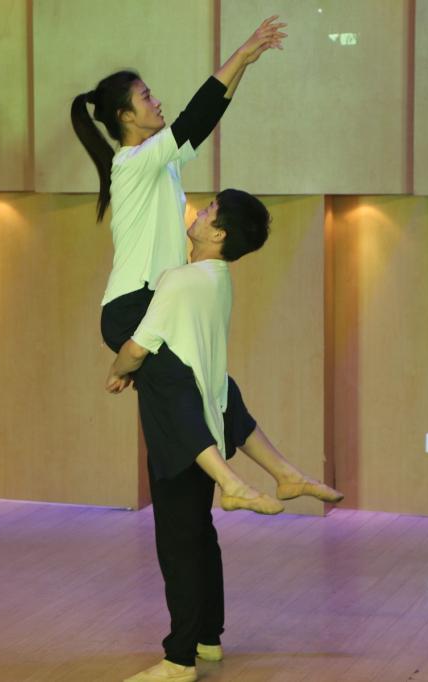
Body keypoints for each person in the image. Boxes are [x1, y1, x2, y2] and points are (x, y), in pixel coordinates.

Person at [71, 17, 341, 516]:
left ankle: (284, 474)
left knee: (216, 385)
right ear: (125, 116)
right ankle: (230, 483)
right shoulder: (133, 163)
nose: (156, 101)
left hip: (153, 305)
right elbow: (193, 118)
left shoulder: (161, 163)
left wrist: (247, 66)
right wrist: (242, 53)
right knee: (181, 386)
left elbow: (206, 117)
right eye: (146, 97)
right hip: (131, 307)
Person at [104, 190, 289, 682]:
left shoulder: (181, 280)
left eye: (208, 211)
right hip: (206, 421)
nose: (199, 212)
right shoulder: (218, 279)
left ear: (219, 233)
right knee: (199, 537)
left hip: (180, 437)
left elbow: (137, 347)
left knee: (178, 546)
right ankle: (208, 637)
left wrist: (117, 369)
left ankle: (179, 659)